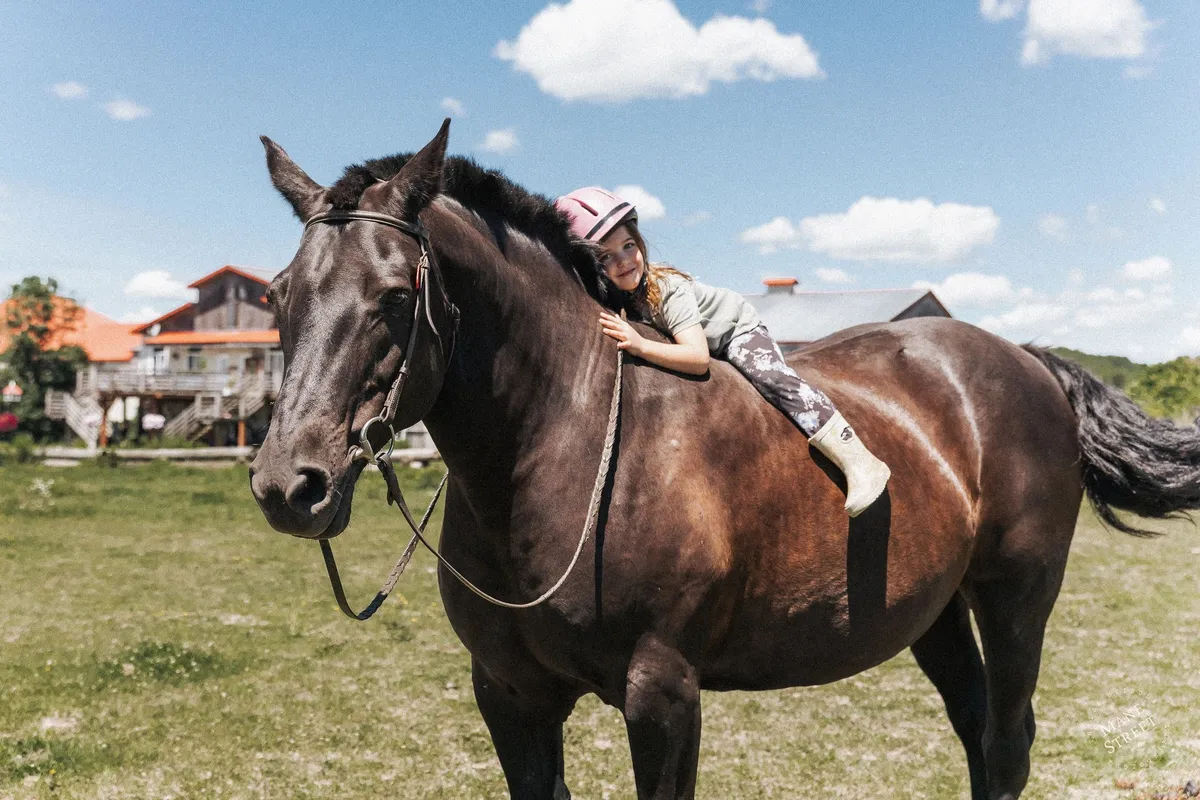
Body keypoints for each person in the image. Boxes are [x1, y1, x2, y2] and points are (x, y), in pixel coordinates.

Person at [555, 187, 891, 517]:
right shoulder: (618, 299)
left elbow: (698, 359)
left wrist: (640, 345)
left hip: (734, 331)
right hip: (699, 341)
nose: (624, 261)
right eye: (606, 257)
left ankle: (857, 458)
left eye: (629, 246)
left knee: (772, 379)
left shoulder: (667, 289)